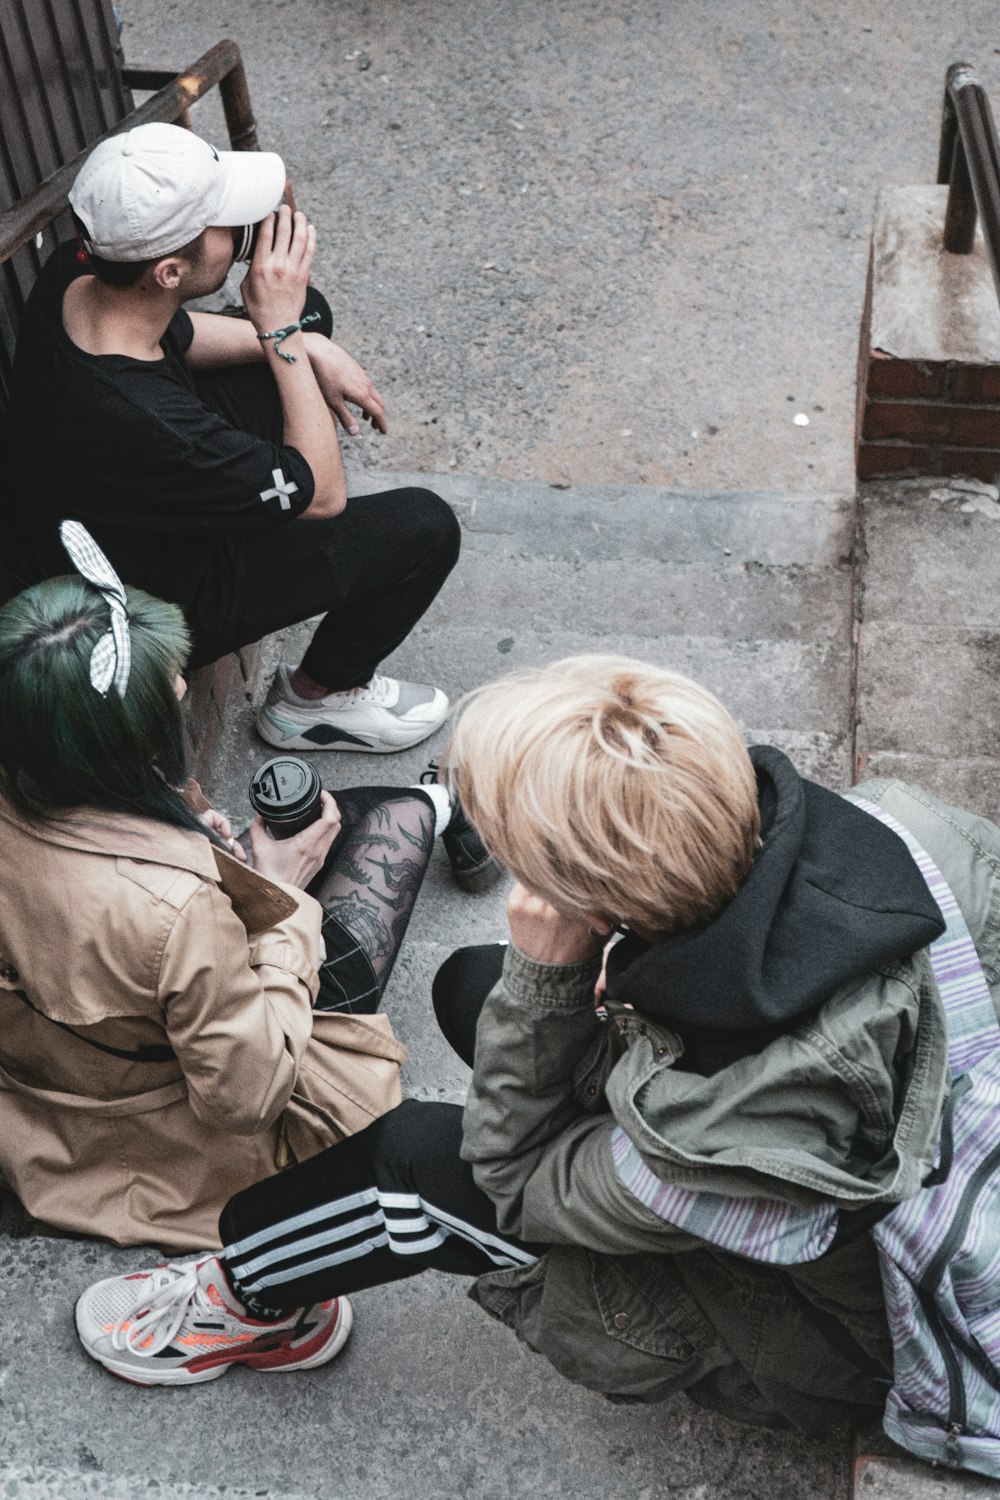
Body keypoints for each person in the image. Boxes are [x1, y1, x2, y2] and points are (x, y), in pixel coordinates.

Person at [74, 652, 1000, 1424]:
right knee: (470, 984)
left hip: (858, 1338)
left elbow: (510, 1180)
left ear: (592, 895)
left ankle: (249, 1302)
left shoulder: (696, 1146)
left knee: (418, 1165)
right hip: (906, 1144)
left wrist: (553, 972)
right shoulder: (898, 827)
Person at [0, 523, 496, 1320]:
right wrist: (282, 895)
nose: (182, 690)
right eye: (168, 687)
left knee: (346, 824)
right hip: (155, 1151)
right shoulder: (175, 913)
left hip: (45, 1097)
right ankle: (438, 804)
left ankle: (439, 805)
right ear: (115, 746)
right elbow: (247, 1094)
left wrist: (193, 841)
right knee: (367, 831)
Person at [3, 122, 460, 754]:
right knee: (425, 528)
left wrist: (307, 340)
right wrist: (279, 333)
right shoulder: (156, 427)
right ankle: (313, 703)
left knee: (310, 313)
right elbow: (323, 493)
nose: (250, 231)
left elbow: (175, 334)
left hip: (94, 502)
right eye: (228, 226)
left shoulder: (77, 271)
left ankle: (297, 348)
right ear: (167, 270)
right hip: (144, 597)